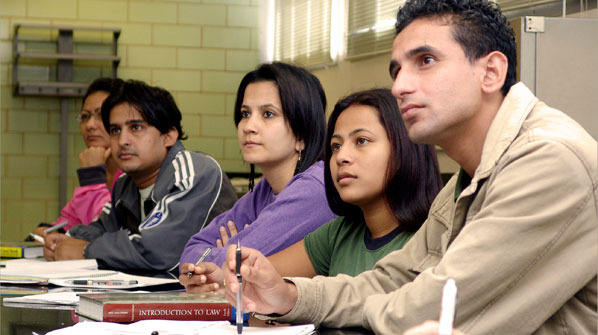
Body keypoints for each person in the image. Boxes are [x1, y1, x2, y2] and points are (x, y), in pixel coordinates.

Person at [221, 1, 597, 334]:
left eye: (426, 61)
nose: (400, 85)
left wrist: (314, 312)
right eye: (396, 69)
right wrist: (287, 295)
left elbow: (432, 308)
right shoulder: (465, 182)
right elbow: (393, 279)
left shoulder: (548, 160)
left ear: (491, 72)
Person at [182, 89, 442, 292]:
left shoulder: (433, 239)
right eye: (336, 146)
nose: (342, 157)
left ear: (406, 148)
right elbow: (254, 276)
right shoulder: (339, 232)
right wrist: (219, 278)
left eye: (361, 141)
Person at [43, 80, 238, 271]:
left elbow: (158, 249)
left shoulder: (194, 171)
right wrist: (65, 239)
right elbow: (102, 228)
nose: (122, 140)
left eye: (136, 127)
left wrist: (86, 249)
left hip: (219, 298)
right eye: (115, 130)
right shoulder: (125, 184)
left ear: (169, 135)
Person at [179, 62, 336, 283]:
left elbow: (234, 266)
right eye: (245, 113)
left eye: (268, 114)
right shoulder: (265, 190)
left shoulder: (316, 190)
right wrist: (232, 249)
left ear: (301, 135)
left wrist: (229, 247)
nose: (248, 126)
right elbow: (190, 254)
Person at [32, 78, 123, 236]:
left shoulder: (133, 174)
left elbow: (109, 232)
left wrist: (93, 178)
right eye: (85, 116)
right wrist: (48, 232)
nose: (90, 125)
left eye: (101, 115)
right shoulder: (98, 166)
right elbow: (69, 221)